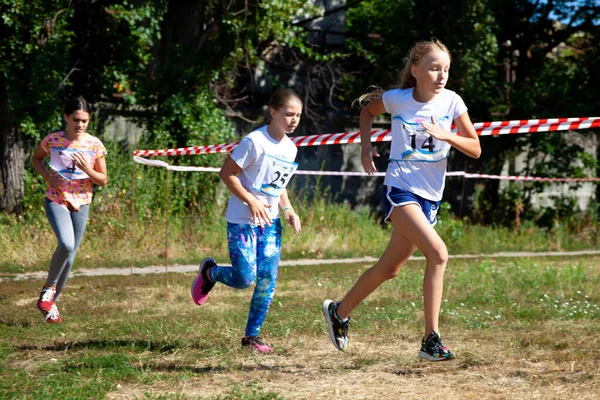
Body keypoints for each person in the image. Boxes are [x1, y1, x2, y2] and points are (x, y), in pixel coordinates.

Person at [322, 38, 481, 361]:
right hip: (400, 188)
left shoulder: (452, 103)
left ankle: (339, 312)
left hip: (430, 196)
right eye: (434, 68)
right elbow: (367, 112)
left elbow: (475, 148)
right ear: (416, 71)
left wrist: (448, 135)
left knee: (390, 268)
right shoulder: (397, 100)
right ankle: (430, 340)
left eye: (446, 69)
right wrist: (366, 148)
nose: (441, 75)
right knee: (438, 253)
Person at [191, 88, 303, 353]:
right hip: (242, 221)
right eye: (289, 114)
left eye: (298, 115)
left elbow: (279, 184)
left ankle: (252, 337)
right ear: (273, 112)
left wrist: (287, 208)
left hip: (271, 222)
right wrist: (251, 200)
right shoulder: (254, 142)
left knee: (267, 280)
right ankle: (210, 272)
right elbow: (227, 173)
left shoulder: (291, 148)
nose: (294, 120)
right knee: (244, 278)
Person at [31, 97, 108, 323]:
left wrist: (87, 169)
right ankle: (47, 292)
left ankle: (50, 305)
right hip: (57, 199)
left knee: (71, 259)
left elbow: (102, 179)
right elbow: (36, 159)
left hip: (82, 202)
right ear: (66, 117)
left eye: (84, 121)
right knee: (66, 244)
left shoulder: (95, 145)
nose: (80, 125)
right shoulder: (53, 140)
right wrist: (47, 176)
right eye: (76, 120)